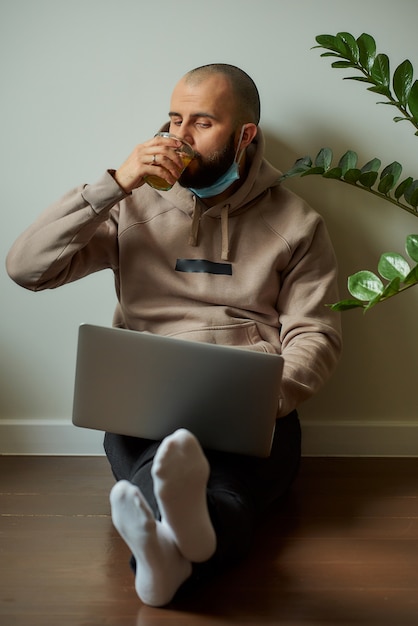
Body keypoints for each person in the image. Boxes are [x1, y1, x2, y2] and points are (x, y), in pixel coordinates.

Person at [6, 63, 342, 607]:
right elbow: (26, 269)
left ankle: (156, 564)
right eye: (173, 119)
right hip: (145, 408)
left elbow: (316, 334)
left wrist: (264, 399)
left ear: (244, 135)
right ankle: (180, 545)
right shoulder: (128, 205)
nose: (177, 137)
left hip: (255, 414)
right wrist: (111, 185)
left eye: (202, 123)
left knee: (221, 483)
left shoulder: (298, 224)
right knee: (170, 472)